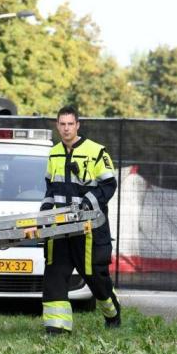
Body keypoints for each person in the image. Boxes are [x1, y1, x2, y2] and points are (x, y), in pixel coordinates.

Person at [40, 106, 121, 334]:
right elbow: (50, 189)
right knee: (54, 274)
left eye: (70, 124)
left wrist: (87, 202)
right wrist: (46, 211)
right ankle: (56, 328)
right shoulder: (53, 153)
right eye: (62, 124)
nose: (66, 129)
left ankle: (112, 313)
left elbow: (109, 184)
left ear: (78, 125)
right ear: (57, 126)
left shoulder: (96, 151)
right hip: (59, 229)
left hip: (89, 229)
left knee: (95, 277)